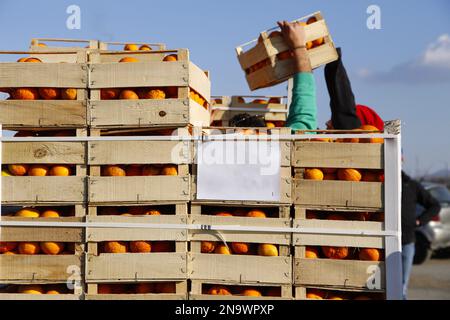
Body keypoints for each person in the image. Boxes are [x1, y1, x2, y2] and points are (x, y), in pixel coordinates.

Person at [324, 46, 441, 300]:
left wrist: (334, 68)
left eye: (333, 123)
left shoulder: (359, 159)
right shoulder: (365, 170)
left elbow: (344, 107)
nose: (327, 125)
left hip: (365, 253)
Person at [231, 21, 317, 131]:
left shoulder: (219, 148)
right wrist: (298, 47)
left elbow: (303, 118)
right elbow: (304, 117)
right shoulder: (285, 144)